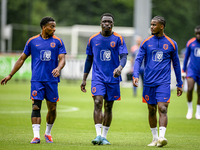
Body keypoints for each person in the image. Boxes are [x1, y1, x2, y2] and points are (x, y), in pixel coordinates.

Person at [1, 16, 67, 144]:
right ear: (44, 27)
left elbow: (62, 59)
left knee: (52, 108)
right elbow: (21, 59)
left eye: (54, 26)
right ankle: (36, 136)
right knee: (36, 106)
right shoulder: (32, 41)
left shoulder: (58, 41)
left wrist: (58, 68)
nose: (54, 28)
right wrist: (10, 75)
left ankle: (48, 133)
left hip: (52, 80)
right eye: (51, 26)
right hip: (37, 80)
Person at [132, 16, 183, 147]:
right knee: (151, 109)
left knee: (163, 108)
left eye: (154, 25)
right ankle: (154, 138)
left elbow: (176, 64)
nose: (152, 27)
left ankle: (161, 137)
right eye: (151, 24)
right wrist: (135, 74)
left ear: (162, 26)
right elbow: (138, 59)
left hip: (163, 82)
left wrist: (179, 83)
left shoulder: (171, 43)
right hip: (149, 82)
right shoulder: (146, 42)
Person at [80, 13, 128, 145]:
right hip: (98, 77)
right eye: (105, 21)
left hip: (113, 77)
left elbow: (124, 56)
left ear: (113, 24)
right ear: (100, 23)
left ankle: (104, 136)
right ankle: (98, 135)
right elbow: (89, 59)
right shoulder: (93, 39)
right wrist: (84, 79)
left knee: (108, 106)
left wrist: (120, 67)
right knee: (97, 102)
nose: (107, 24)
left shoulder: (118, 39)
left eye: (109, 22)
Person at [182, 25, 200, 120]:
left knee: (199, 92)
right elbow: (186, 58)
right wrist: (183, 70)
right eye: (196, 33)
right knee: (190, 88)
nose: (198, 36)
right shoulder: (191, 43)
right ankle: (190, 109)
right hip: (192, 70)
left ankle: (198, 111)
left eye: (199, 34)